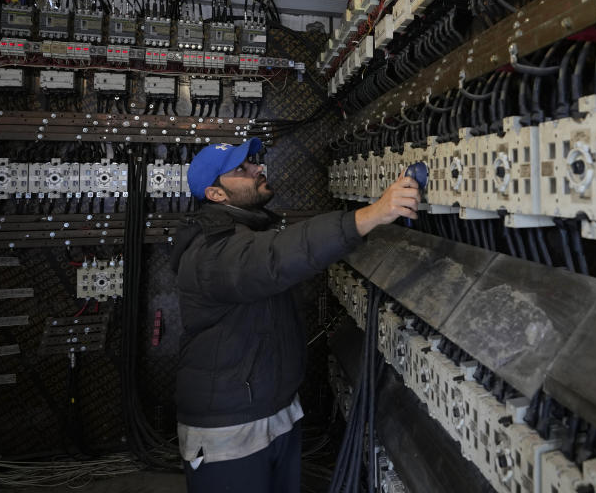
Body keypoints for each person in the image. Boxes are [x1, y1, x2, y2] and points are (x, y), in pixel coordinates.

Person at [170, 138, 419, 493]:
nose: (258, 169)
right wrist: (373, 214)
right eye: (242, 169)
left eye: (253, 161)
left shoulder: (245, 233)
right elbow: (276, 257)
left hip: (273, 413)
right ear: (215, 194)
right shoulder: (211, 250)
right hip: (230, 432)